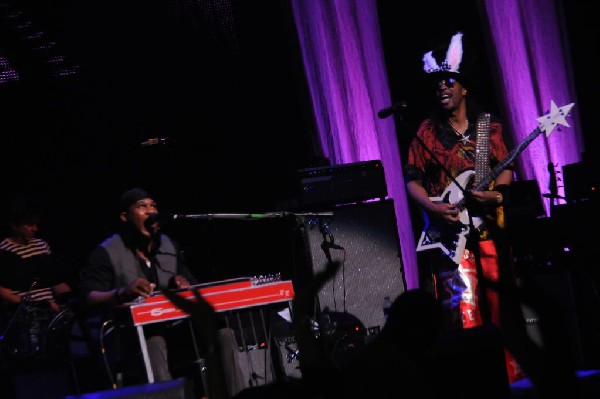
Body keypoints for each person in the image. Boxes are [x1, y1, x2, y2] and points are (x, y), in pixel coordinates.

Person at [404, 32, 523, 383]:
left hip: (488, 229)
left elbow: (506, 170)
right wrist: (433, 207)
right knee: (463, 308)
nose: (442, 87)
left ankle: (507, 375)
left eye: (448, 81)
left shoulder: (488, 128)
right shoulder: (425, 132)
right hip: (450, 235)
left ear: (464, 88)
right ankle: (474, 380)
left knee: (499, 303)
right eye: (437, 83)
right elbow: (411, 179)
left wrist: (497, 195)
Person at [78, 187, 247, 396]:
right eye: (142, 207)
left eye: (153, 206)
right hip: (131, 343)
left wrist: (183, 286)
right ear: (124, 216)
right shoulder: (106, 252)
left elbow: (194, 290)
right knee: (155, 340)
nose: (151, 211)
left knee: (224, 333)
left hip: (178, 335)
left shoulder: (169, 246)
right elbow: (87, 298)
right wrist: (122, 292)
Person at [0, 193, 73, 361]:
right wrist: (33, 304)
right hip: (27, 315)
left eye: (35, 224)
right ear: (14, 226)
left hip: (51, 310)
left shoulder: (41, 245)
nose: (35, 229)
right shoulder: (4, 250)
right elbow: (4, 292)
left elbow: (52, 279)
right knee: (33, 357)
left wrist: (67, 296)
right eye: (29, 225)